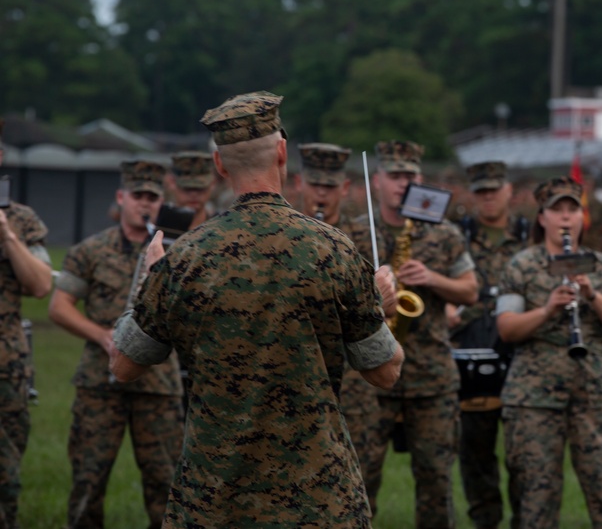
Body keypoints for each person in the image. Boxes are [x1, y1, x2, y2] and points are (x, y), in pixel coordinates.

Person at [110, 91, 404, 528]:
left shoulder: (185, 258)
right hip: (317, 496)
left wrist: (154, 281)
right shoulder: (333, 250)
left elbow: (123, 365)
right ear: (282, 153)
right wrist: (375, 304)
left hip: (213, 497)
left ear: (219, 165)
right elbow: (385, 371)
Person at [345, 139, 478, 529]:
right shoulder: (350, 233)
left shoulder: (444, 233)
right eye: (396, 175)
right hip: (368, 374)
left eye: (411, 176)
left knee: (436, 479)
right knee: (360, 477)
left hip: (431, 373)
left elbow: (470, 290)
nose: (404, 183)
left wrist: (434, 279)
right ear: (378, 181)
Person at [49, 160, 184, 529]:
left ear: (162, 202)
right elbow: (59, 307)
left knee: (165, 482)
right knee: (88, 481)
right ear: (121, 197)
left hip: (158, 386)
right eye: (137, 195)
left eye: (152, 197)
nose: (144, 204)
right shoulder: (91, 250)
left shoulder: (180, 253)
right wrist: (101, 335)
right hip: (99, 382)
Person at [496, 176, 602, 529]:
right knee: (535, 494)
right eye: (556, 210)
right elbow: (507, 327)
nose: (564, 218)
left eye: (572, 210)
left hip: (593, 391)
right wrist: (546, 310)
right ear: (542, 218)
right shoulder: (521, 265)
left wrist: (592, 294)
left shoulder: (601, 265)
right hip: (533, 395)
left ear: (582, 217)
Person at [448, 161, 530, 529]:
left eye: (495, 190)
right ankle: (485, 520)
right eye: (481, 192)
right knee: (475, 448)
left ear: (509, 191)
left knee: (523, 450)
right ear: (473, 195)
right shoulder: (457, 238)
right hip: (471, 349)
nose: (489, 198)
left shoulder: (529, 236)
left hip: (520, 352)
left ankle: (525, 519)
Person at [0, 119, 53, 528]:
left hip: (6, 366)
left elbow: (40, 286)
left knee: (6, 476)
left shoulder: (21, 219)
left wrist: (8, 236)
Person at [297, 143, 352, 226]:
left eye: (330, 186)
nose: (322, 192)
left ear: (345, 187)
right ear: (299, 182)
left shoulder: (363, 236)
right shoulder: (283, 231)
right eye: (314, 184)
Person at [167, 151, 216, 229]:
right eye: (187, 188)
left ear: (212, 184)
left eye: (200, 188)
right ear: (172, 183)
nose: (194, 194)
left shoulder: (219, 227)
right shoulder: (159, 226)